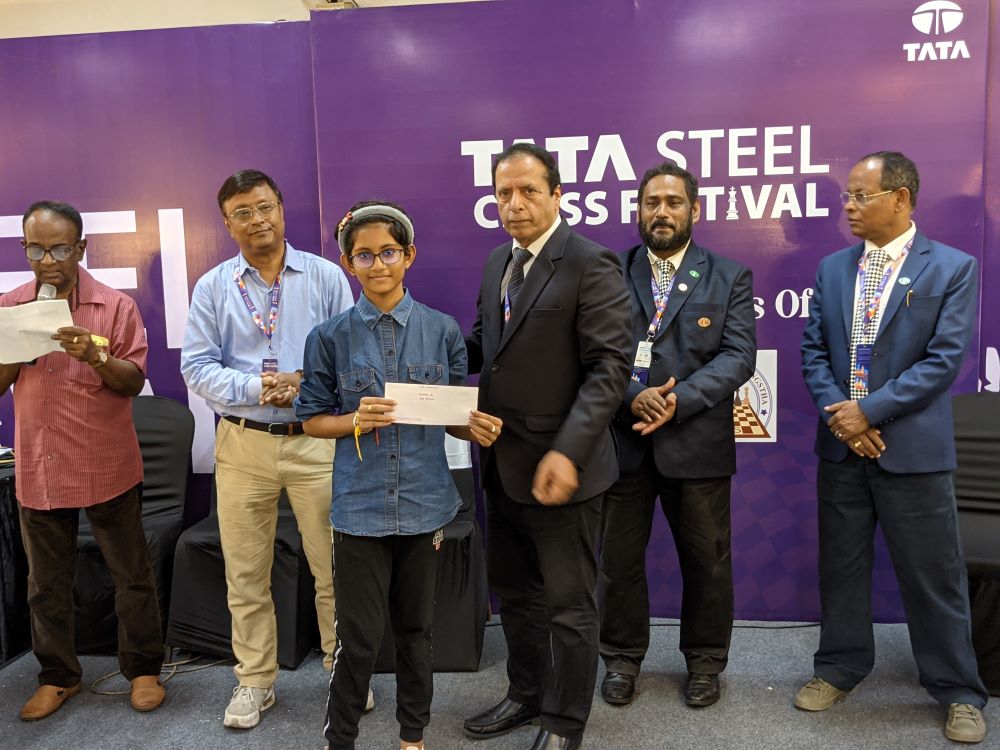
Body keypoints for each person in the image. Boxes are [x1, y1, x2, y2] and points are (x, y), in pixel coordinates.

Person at [297, 201, 502, 750]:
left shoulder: (442, 331)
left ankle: (413, 736)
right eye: (364, 255)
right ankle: (341, 739)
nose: (377, 264)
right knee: (359, 638)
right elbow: (310, 420)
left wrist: (473, 426)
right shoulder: (329, 337)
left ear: (409, 256)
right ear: (348, 263)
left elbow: (452, 418)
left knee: (416, 630)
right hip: (358, 508)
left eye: (388, 252)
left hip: (423, 503)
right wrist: (353, 420)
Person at [799, 151, 988, 744]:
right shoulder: (833, 269)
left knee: (934, 577)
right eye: (848, 196)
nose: (849, 206)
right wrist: (844, 418)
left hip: (913, 453)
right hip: (842, 448)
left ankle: (958, 690)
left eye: (861, 195)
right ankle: (839, 668)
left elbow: (944, 361)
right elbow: (813, 352)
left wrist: (870, 411)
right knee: (842, 568)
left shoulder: (952, 267)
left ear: (901, 198)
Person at [463, 143, 631, 750]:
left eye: (528, 191)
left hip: (565, 471)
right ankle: (526, 693)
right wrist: (417, 361)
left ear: (557, 195)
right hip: (502, 464)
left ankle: (564, 722)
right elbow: (483, 346)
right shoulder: (497, 263)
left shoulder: (590, 262)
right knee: (516, 596)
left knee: (569, 606)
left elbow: (609, 370)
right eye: (503, 193)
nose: (514, 204)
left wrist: (567, 450)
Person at [180, 169, 355, 729]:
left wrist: (304, 383)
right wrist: (258, 386)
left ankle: (342, 673)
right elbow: (196, 367)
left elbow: (350, 357)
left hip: (315, 439)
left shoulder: (325, 276)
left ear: (281, 209)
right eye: (243, 213)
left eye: (264, 207)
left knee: (334, 567)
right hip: (244, 443)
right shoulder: (213, 287)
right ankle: (255, 680)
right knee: (246, 573)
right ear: (227, 223)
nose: (257, 220)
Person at [598, 162, 757, 708]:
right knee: (618, 563)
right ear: (638, 210)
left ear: (694, 209)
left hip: (697, 443)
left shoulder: (729, 275)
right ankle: (621, 659)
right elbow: (594, 350)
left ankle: (706, 662)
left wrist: (676, 400)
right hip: (623, 443)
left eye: (672, 202)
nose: (661, 212)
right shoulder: (609, 271)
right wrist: (630, 394)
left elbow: (738, 356)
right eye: (651, 203)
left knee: (707, 563)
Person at [0, 201, 165, 720]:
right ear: (24, 248)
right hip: (41, 466)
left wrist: (95, 356)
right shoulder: (10, 306)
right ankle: (58, 677)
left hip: (105, 463)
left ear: (81, 248)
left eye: (59, 249)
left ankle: (143, 669)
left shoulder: (114, 306)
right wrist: (16, 349)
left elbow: (133, 382)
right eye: (36, 250)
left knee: (131, 576)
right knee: (45, 585)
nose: (47, 261)